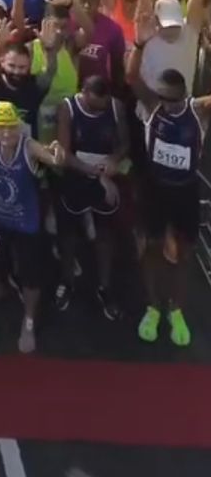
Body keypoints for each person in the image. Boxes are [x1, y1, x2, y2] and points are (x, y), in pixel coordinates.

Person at [0, 101, 62, 354]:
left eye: (11, 127)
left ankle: (28, 321)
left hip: (24, 223)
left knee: (30, 275)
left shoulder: (27, 145)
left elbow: (51, 159)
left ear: (19, 126)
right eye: (1, 127)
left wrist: (56, 155)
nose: (7, 133)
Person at [128, 59, 211, 347]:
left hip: (185, 191)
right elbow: (130, 76)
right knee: (150, 249)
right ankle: (153, 307)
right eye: (164, 98)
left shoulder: (198, 111)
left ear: (185, 94)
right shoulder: (153, 107)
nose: (169, 105)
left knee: (184, 254)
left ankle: (176, 309)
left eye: (175, 99)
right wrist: (138, 47)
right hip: (156, 190)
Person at [54, 75, 128, 319]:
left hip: (104, 174)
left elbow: (124, 144)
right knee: (68, 234)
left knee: (105, 234)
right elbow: (64, 154)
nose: (101, 109)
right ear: (83, 92)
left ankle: (104, 287)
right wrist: (96, 174)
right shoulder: (68, 108)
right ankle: (66, 281)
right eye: (95, 105)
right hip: (78, 174)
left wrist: (113, 161)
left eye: (103, 106)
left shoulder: (115, 106)